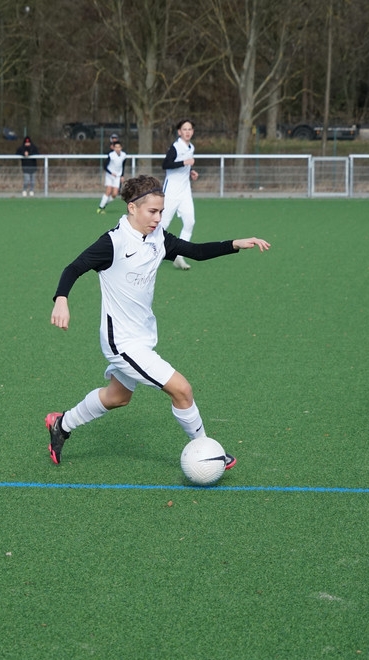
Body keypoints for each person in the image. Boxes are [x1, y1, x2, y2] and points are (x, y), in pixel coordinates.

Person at [45, 174, 270, 465]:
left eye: (161, 211)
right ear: (132, 208)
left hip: (143, 336)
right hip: (121, 342)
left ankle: (61, 424)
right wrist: (61, 299)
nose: (158, 218)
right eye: (152, 211)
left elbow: (196, 252)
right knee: (182, 389)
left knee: (117, 397)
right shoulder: (113, 243)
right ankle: (207, 450)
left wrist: (235, 244)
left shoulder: (159, 238)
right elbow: (73, 268)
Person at [161, 119, 199, 270]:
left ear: (192, 132)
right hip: (171, 190)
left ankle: (179, 255)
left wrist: (191, 172)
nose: (187, 132)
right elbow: (166, 164)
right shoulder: (176, 147)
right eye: (184, 129)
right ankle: (146, 251)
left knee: (190, 222)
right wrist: (185, 163)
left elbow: (185, 165)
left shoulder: (191, 147)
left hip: (185, 191)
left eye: (190, 129)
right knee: (162, 224)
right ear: (179, 132)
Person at [97, 140, 127, 213]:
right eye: (116, 147)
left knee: (114, 194)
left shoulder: (124, 155)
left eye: (119, 147)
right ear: (113, 148)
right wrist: (111, 173)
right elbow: (105, 166)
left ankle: (104, 204)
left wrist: (122, 175)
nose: (117, 149)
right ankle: (100, 208)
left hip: (117, 176)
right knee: (108, 191)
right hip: (109, 176)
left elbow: (123, 166)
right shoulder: (111, 155)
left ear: (121, 148)